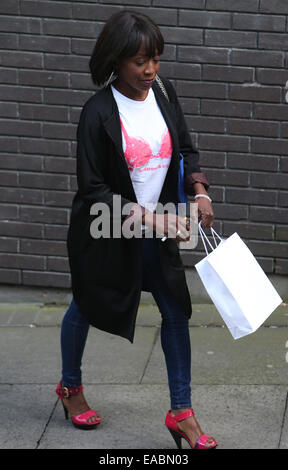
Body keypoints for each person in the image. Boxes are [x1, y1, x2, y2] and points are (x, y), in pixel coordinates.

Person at [56, 10, 217, 449]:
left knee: (175, 312)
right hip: (106, 230)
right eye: (139, 61)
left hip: (157, 229)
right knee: (87, 305)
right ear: (116, 59)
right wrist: (150, 218)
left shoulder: (164, 92)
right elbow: (92, 190)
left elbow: (185, 148)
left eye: (156, 59)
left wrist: (199, 191)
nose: (150, 69)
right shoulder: (98, 112)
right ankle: (70, 387)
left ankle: (181, 412)